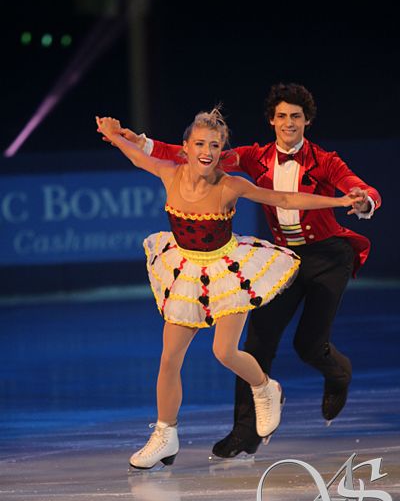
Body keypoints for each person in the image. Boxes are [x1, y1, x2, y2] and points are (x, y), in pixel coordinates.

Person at [107, 83, 382, 460]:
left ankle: (303, 380)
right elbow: (160, 156)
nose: (288, 122)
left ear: (307, 121)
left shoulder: (303, 166)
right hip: (202, 269)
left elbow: (297, 196)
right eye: (282, 116)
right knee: (201, 352)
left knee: (272, 347)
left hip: (292, 261)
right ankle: (198, 433)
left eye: (296, 116)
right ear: (272, 120)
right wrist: (126, 138)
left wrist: (350, 201)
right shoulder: (233, 161)